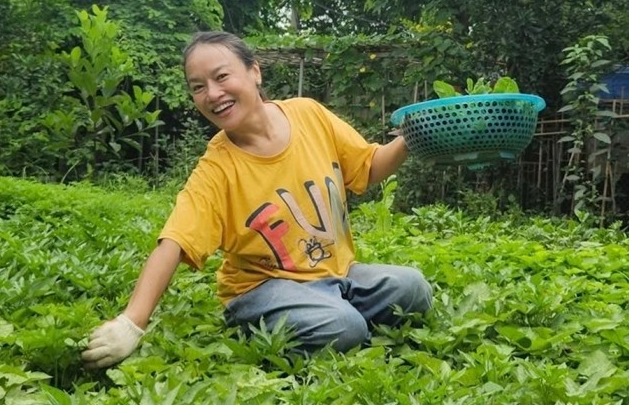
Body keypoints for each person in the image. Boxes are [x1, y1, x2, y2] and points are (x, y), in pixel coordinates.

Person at [82, 31, 433, 369]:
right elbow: (173, 242)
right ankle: (292, 323)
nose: (213, 94)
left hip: (338, 276)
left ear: (254, 71)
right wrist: (131, 322)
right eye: (198, 87)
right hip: (262, 290)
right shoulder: (217, 168)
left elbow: (368, 166)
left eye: (221, 76)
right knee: (345, 327)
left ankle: (329, 314)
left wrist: (410, 138)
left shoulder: (308, 114)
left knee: (413, 289)